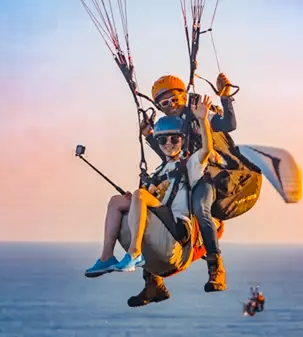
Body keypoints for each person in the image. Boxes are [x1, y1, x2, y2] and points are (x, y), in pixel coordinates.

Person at [84, 94, 215, 302]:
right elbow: (148, 197)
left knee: (140, 195)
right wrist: (134, 200)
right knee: (116, 201)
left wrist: (202, 119)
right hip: (161, 224)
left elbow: (207, 149)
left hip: (177, 231)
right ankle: (106, 257)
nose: (168, 144)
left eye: (174, 139)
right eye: (163, 140)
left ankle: (135, 252)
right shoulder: (160, 170)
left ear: (183, 139)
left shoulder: (190, 164)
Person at [139, 74, 239, 294]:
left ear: (184, 95)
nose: (171, 106)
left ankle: (216, 268)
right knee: (149, 214)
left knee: (200, 209)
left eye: (175, 99)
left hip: (204, 175)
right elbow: (169, 155)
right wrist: (149, 136)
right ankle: (152, 282)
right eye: (164, 104)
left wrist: (225, 97)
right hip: (179, 177)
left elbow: (229, 125)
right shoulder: (166, 124)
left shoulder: (198, 109)